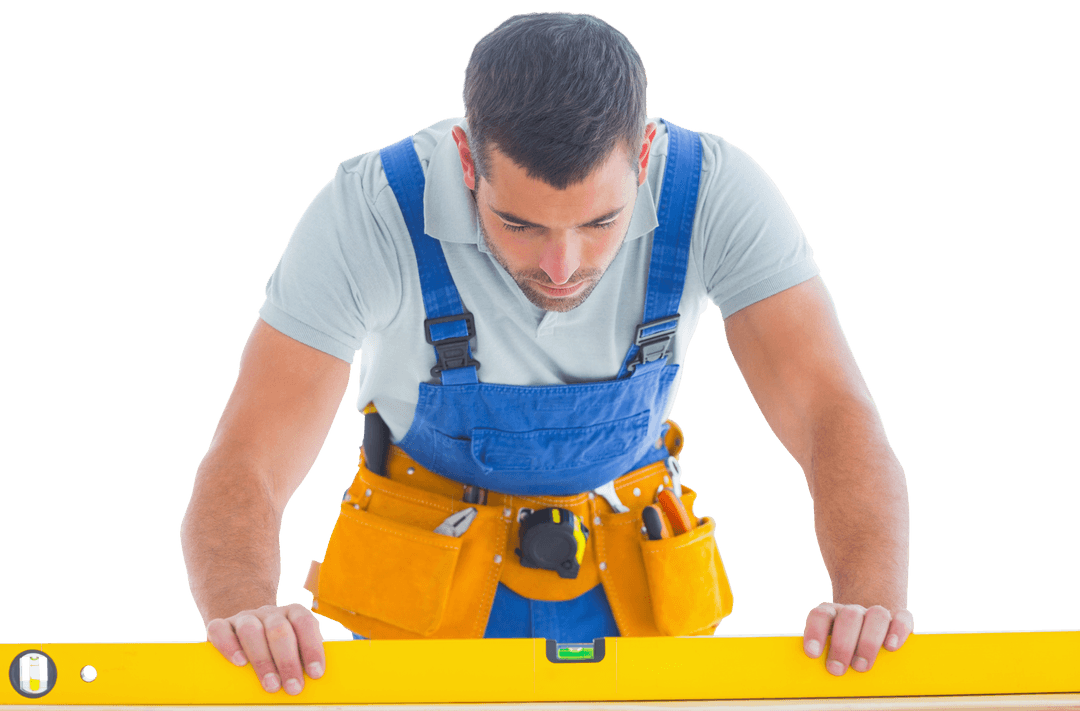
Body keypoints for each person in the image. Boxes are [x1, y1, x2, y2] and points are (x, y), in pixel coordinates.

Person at [179, 11, 913, 697]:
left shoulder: (712, 190)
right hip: (427, 578)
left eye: (600, 222)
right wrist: (248, 612)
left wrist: (870, 602)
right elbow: (250, 455)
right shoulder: (371, 212)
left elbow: (828, 407)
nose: (563, 267)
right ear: (467, 161)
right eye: (520, 223)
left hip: (631, 565)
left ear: (643, 157)